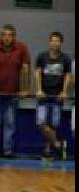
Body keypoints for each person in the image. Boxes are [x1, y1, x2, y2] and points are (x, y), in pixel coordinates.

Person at [0, 25, 30, 158]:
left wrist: (26, 89)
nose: (7, 37)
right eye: (4, 34)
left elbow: (25, 69)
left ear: (14, 36)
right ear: (1, 36)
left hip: (12, 93)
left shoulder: (21, 48)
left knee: (10, 123)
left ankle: (8, 151)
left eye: (10, 35)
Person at [34, 31, 72, 160]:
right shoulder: (42, 57)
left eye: (58, 41)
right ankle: (58, 144)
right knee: (41, 123)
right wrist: (39, 89)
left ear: (61, 43)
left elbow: (68, 76)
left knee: (53, 124)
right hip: (43, 95)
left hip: (57, 96)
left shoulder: (65, 59)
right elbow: (38, 73)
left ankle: (48, 150)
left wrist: (64, 91)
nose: (55, 43)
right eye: (53, 40)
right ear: (49, 42)